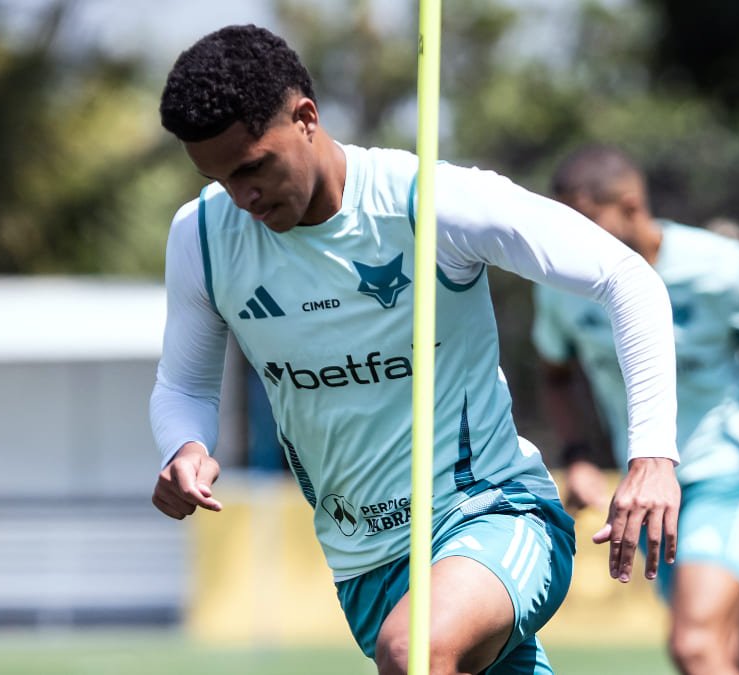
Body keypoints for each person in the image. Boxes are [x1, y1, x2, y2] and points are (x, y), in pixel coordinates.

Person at [148, 26, 681, 675]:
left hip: (492, 514)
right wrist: (186, 447)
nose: (243, 197)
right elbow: (186, 386)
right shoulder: (202, 237)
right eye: (221, 178)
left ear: (306, 118)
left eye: (254, 166)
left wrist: (653, 453)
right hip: (362, 563)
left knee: (415, 650)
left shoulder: (425, 201)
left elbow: (628, 278)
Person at [532, 145, 739, 675]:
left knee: (695, 645)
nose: (574, 239)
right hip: (649, 496)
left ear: (631, 205)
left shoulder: (722, 268)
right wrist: (579, 455)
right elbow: (556, 373)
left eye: (587, 221)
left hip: (730, 472)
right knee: (735, 643)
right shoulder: (566, 285)